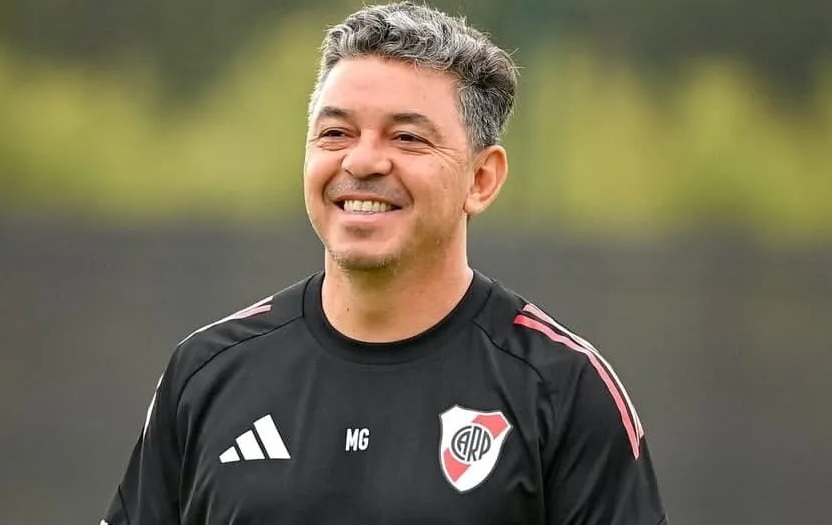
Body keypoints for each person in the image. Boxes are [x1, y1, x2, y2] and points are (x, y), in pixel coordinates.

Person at [99, 2, 667, 523]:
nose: (364, 159)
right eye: (336, 132)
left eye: (407, 138)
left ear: (482, 178)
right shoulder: (208, 373)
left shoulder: (563, 390)